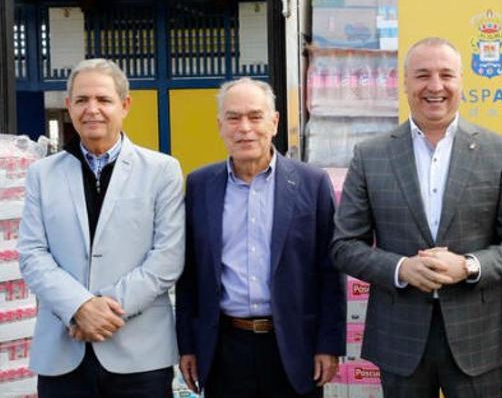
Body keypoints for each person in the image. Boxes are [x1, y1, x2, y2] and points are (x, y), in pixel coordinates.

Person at [331, 37, 502, 398]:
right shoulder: (371, 155)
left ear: (461, 83)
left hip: (479, 337)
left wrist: (469, 265)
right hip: (399, 338)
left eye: (446, 75)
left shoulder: (499, 151)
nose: (435, 86)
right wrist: (400, 269)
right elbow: (345, 246)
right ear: (405, 83)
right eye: (423, 75)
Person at [18, 58, 185, 397]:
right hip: (63, 353)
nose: (92, 109)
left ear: (124, 105)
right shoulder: (42, 174)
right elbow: (33, 254)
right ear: (69, 106)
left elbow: (167, 258)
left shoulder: (161, 170)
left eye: (103, 100)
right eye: (81, 100)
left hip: (140, 355)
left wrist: (101, 311)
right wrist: (79, 308)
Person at [175, 78, 345, 398]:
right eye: (233, 118)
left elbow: (329, 270)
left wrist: (329, 344)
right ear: (220, 125)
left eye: (255, 116)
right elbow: (190, 275)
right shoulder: (200, 185)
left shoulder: (312, 183)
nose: (245, 128)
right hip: (224, 347)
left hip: (294, 347)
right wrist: (188, 345)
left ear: (274, 122)